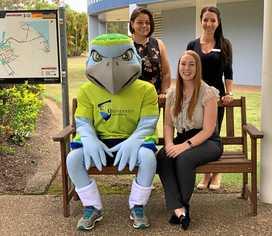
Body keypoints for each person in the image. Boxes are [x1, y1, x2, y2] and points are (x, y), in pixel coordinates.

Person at [66, 33, 159, 231]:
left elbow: (148, 122)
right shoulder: (86, 90)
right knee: (73, 159)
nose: (110, 69)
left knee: (149, 158)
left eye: (123, 58)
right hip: (100, 144)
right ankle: (92, 207)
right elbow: (82, 121)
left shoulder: (146, 90)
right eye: (100, 59)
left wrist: (135, 140)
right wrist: (90, 138)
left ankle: (138, 206)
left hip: (132, 142)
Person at [157, 50, 223, 230]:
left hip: (208, 142)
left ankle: (181, 204)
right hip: (182, 138)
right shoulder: (172, 93)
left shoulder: (207, 92)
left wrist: (184, 147)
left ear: (197, 68)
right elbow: (169, 125)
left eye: (191, 64)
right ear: (178, 67)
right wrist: (170, 144)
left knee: (184, 158)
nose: (186, 68)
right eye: (183, 64)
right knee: (163, 156)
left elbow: (209, 129)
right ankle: (179, 208)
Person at [186, 6, 233, 190]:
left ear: (218, 22)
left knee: (214, 134)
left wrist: (228, 93)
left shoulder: (224, 44)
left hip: (216, 98)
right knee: (200, 133)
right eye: (206, 19)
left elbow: (228, 72)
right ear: (201, 21)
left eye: (213, 20)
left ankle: (217, 174)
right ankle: (206, 175)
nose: (209, 23)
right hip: (196, 98)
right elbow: (187, 69)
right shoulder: (192, 45)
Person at [129, 7, 171, 106]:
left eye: (147, 23)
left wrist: (163, 93)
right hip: (131, 100)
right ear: (132, 23)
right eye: (140, 22)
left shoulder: (158, 44)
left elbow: (166, 73)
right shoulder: (125, 45)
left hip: (153, 99)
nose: (144, 25)